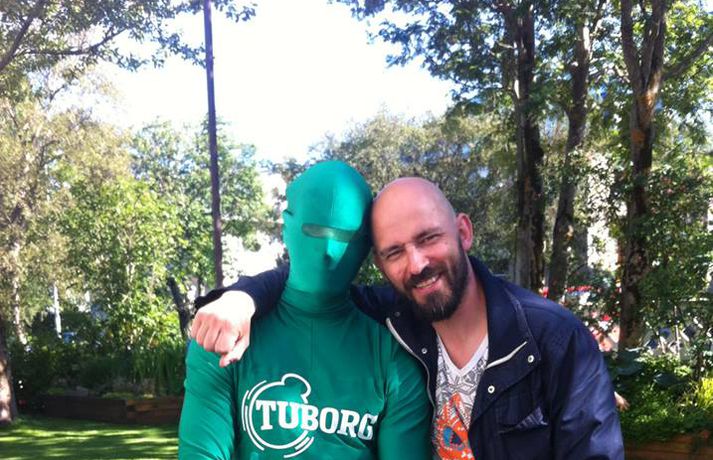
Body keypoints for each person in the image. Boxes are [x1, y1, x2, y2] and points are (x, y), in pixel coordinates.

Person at [192, 177, 625, 459]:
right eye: (394, 252)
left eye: (428, 238)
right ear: (379, 264)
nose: (416, 264)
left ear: (463, 232)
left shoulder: (553, 340)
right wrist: (241, 299)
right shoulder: (396, 319)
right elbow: (309, 289)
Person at [179, 162, 431, 459]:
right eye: (314, 231)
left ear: (368, 248)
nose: (328, 252)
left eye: (346, 238)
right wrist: (241, 299)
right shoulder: (226, 340)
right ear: (286, 227)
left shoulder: (393, 355)